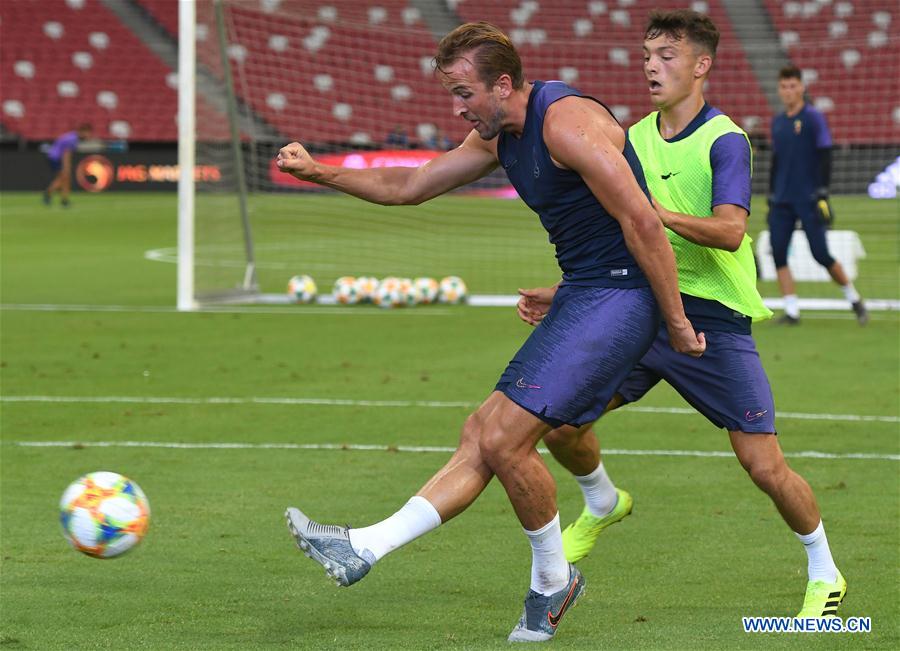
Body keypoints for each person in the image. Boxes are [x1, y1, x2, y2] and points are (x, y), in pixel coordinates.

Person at [276, 21, 704, 642]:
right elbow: (409, 186)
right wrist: (320, 173)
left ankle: (553, 582)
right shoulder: (499, 133)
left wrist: (676, 321)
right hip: (589, 291)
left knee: (505, 439)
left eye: (463, 91)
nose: (456, 106)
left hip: (624, 294)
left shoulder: (566, 123)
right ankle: (364, 547)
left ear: (503, 84)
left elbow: (641, 220)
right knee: (482, 432)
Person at [516, 10, 846, 619]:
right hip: (642, 310)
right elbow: (619, 244)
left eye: (667, 56)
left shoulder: (725, 139)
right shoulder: (630, 136)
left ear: (701, 66)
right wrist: (564, 291)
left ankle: (826, 571)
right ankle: (602, 500)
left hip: (713, 322)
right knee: (557, 426)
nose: (651, 66)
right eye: (647, 55)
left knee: (763, 465)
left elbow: (728, 231)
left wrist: (654, 214)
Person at [768, 66, 868, 325]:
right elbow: (776, 160)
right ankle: (792, 311)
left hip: (808, 197)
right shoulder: (777, 122)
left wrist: (823, 191)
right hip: (781, 199)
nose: (788, 91)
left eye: (792, 86)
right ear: (779, 90)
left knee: (821, 254)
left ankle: (854, 298)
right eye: (784, 86)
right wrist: (771, 193)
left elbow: (825, 153)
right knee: (778, 251)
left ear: (802, 87)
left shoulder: (813, 118)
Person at [43, 123, 92, 207]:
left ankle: (57, 197)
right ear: (82, 131)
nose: (88, 136)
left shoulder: (72, 136)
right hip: (56, 158)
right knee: (64, 178)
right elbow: (66, 155)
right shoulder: (72, 139)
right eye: (87, 133)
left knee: (63, 179)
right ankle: (54, 196)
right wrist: (67, 168)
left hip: (53, 157)